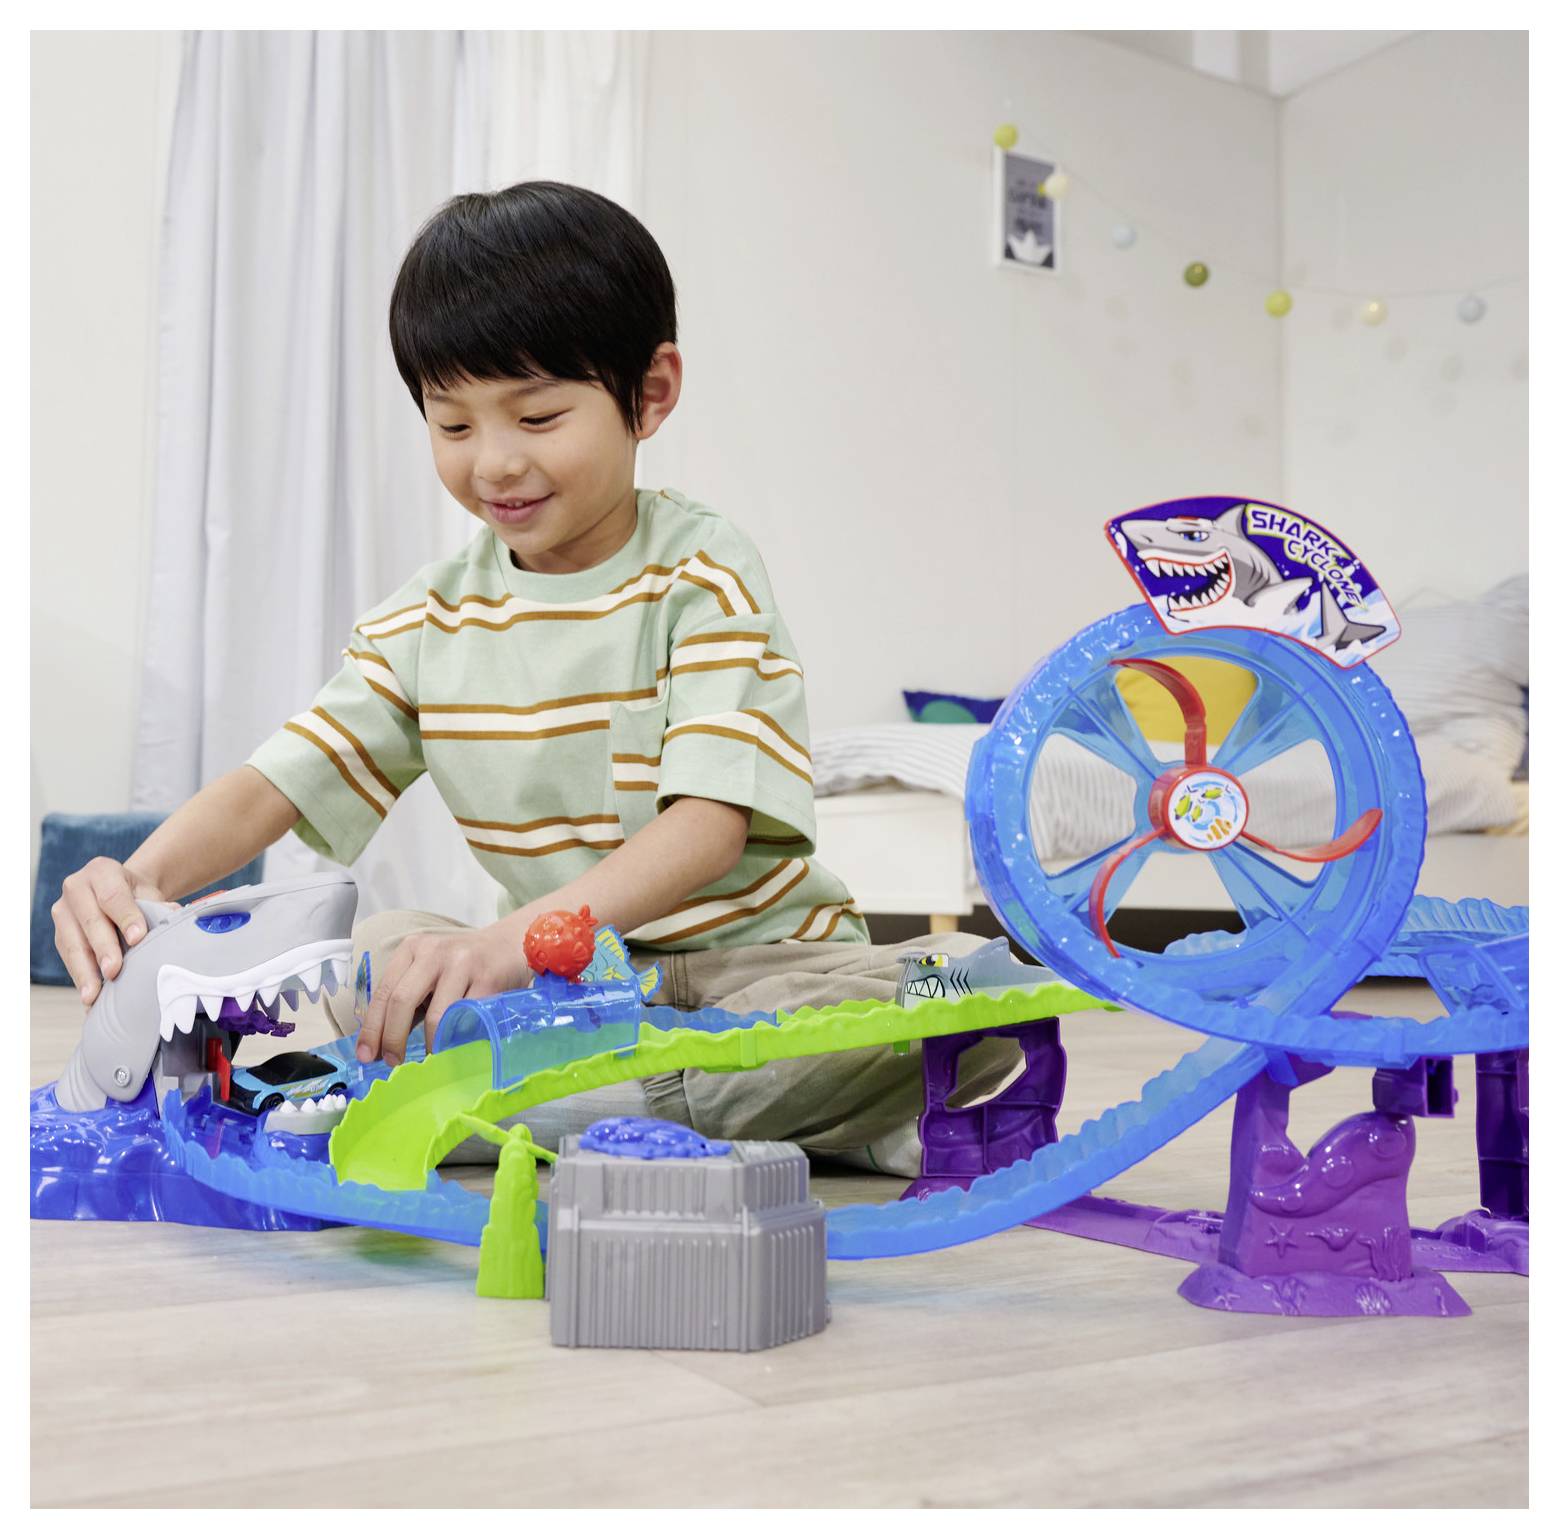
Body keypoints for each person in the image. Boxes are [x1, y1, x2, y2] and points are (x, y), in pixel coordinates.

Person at [49, 181, 1015, 1173]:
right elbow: (276, 782)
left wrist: (503, 947)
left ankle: (565, 1104)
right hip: (568, 996)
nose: (494, 463)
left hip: (755, 971)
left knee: (939, 1002)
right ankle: (784, 1117)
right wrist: (136, 882)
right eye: (453, 425)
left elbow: (705, 826)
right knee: (379, 945)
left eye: (538, 416)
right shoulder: (427, 619)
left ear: (650, 393)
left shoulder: (701, 575)